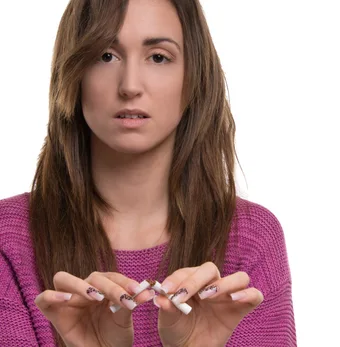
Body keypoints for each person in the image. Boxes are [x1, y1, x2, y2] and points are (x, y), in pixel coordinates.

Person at [0, 0, 296, 346]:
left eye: (158, 57)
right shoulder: (8, 239)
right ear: (74, 74)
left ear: (194, 77)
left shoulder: (251, 240)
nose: (130, 85)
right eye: (105, 55)